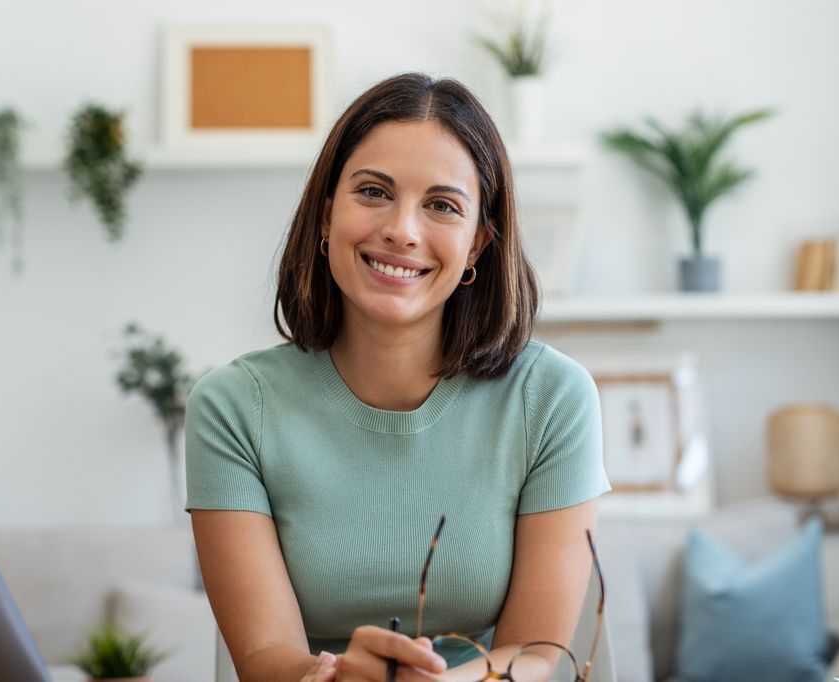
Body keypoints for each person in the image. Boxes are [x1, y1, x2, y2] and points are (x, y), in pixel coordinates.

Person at [186, 72, 610, 682]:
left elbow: (537, 653)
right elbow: (262, 659)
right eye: (374, 191)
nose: (402, 230)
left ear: (476, 246)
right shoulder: (232, 408)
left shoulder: (552, 398)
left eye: (442, 205)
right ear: (327, 216)